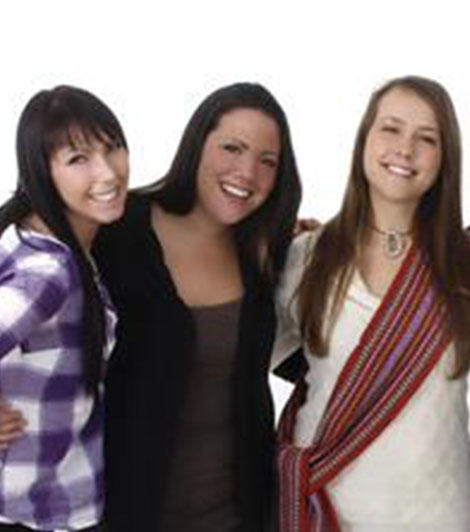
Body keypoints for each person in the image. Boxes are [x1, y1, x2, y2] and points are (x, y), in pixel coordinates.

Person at [272, 76, 470, 531]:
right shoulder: (308, 255)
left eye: (426, 138)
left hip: (437, 517)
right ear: (364, 140)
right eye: (390, 128)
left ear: (445, 158)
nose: (405, 149)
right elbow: (232, 366)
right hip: (324, 509)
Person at [92, 83, 302, 531]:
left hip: (240, 516)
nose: (247, 172)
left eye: (268, 161)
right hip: (128, 514)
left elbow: (308, 358)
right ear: (196, 144)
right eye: (232, 147)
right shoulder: (117, 228)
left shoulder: (265, 250)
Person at [0, 86, 128, 531]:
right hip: (39, 513)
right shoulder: (49, 271)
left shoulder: (22, 232)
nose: (108, 172)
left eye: (113, 148)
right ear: (42, 171)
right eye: (78, 159)